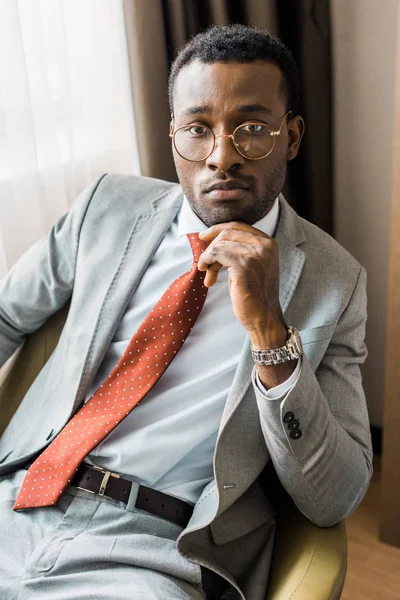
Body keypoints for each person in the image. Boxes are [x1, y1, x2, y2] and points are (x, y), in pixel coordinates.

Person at [0, 23, 372, 600]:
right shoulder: (106, 205)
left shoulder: (334, 282)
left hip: (153, 555)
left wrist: (270, 334)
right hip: (20, 499)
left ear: (291, 136)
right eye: (199, 129)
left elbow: (336, 494)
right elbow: (6, 317)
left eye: (251, 129)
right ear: (173, 134)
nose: (222, 156)